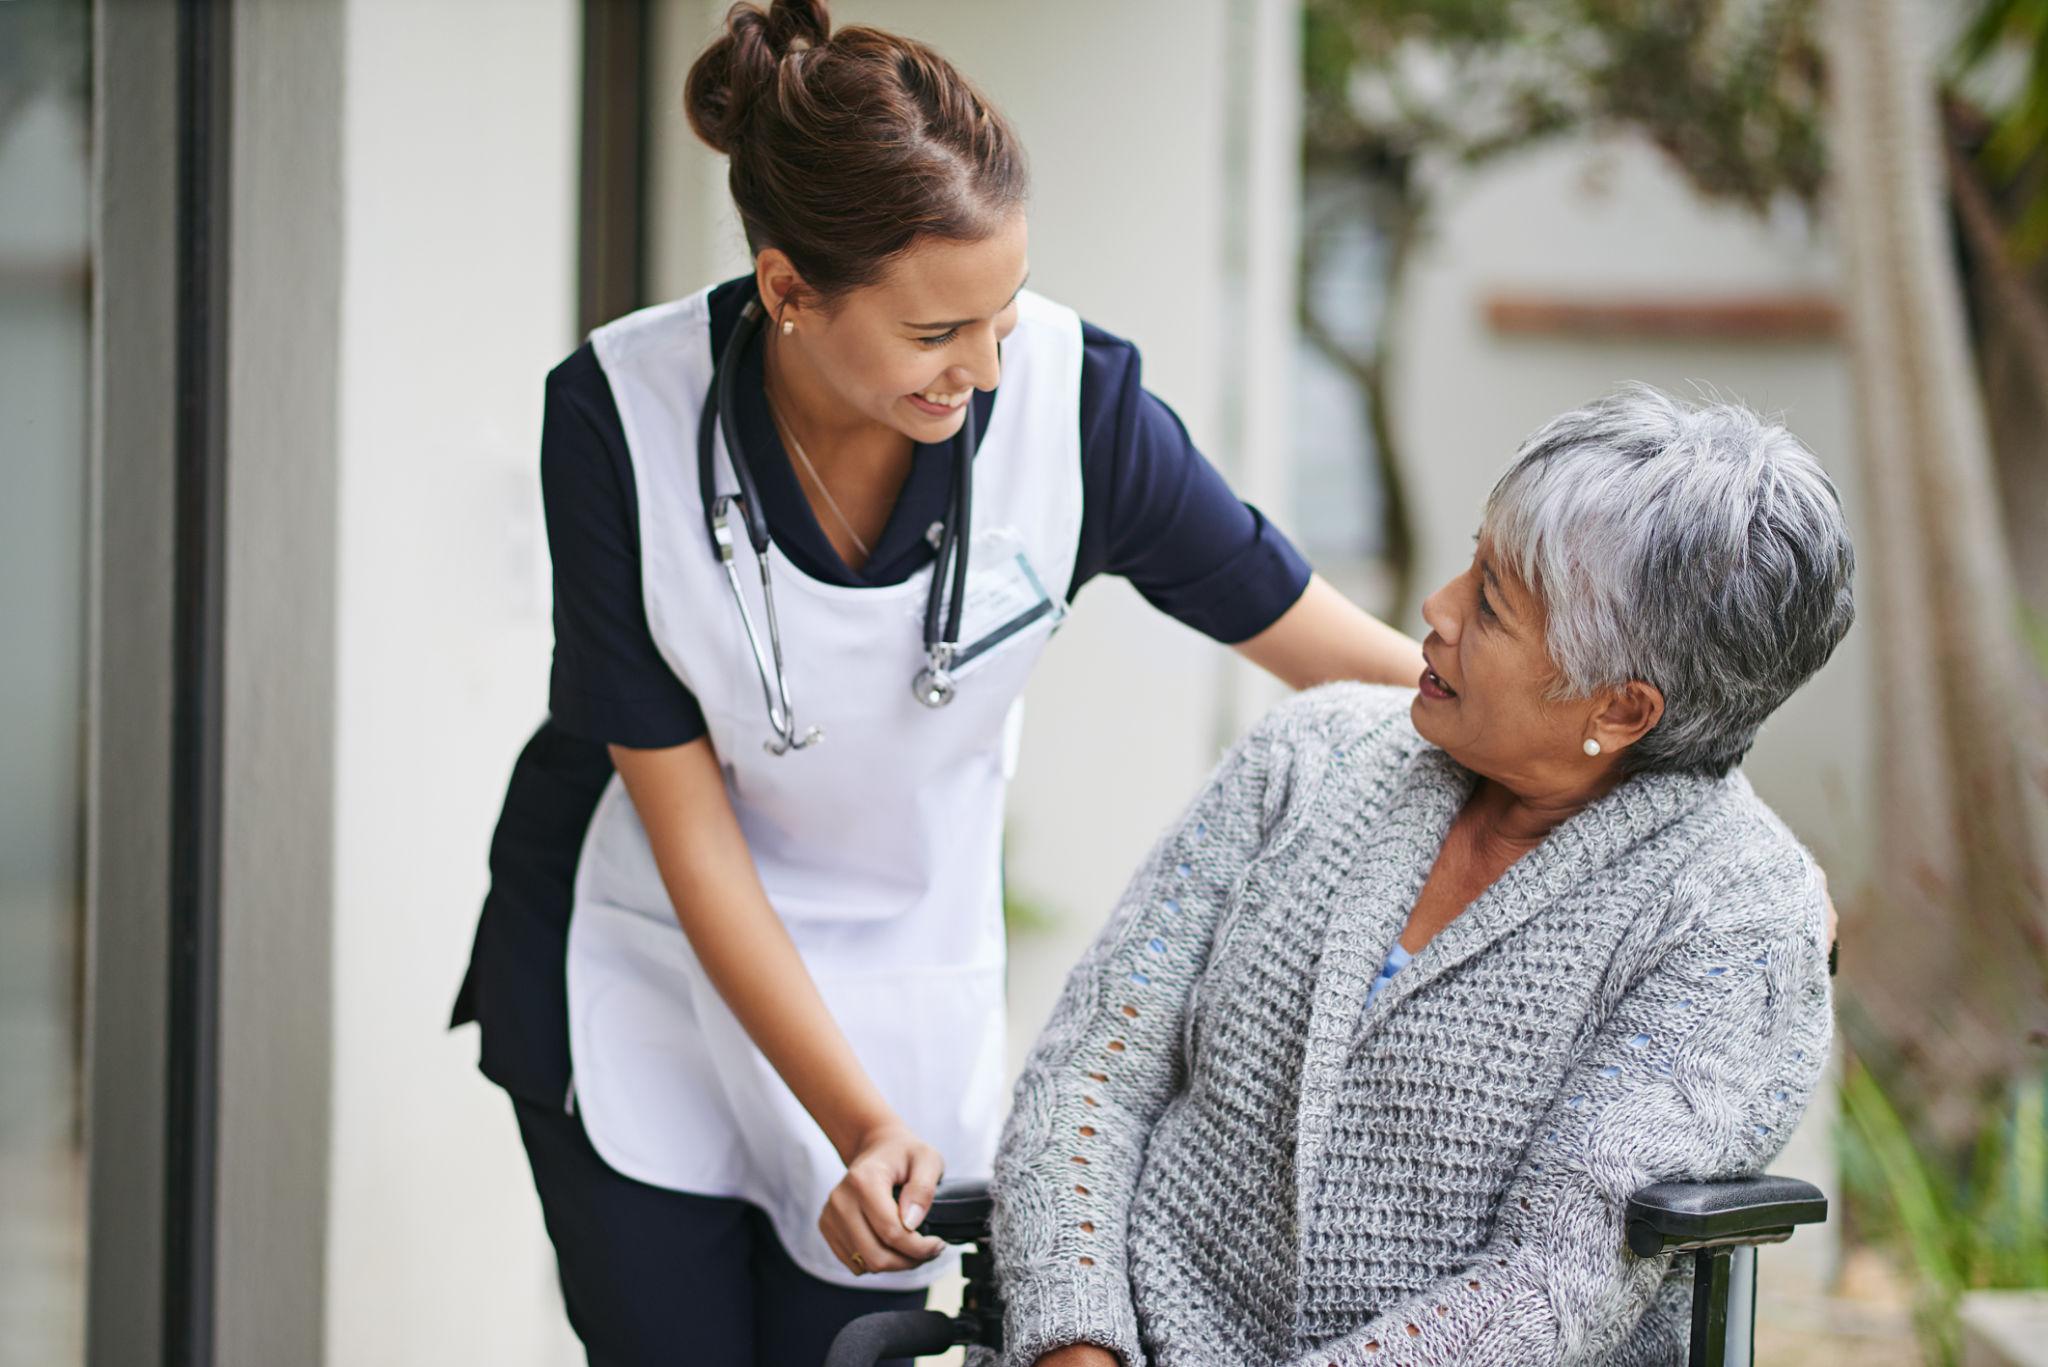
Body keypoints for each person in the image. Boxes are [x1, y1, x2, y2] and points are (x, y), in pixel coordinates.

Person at [446, 2, 1423, 1362]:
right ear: (788, 291)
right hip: (646, 955)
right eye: (935, 333)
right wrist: (855, 1118)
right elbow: (691, 837)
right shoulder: (618, 416)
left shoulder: (1077, 407)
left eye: (1003, 318)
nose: (982, 367)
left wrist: (1623, 757)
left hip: (900, 963)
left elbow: (1328, 648)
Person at [987, 387, 1852, 1367]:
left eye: (1488, 603)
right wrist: (1075, 1339)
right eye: (1471, 559)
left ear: (1618, 709)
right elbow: (1096, 1064)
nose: (1435, 611)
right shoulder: (1308, 752)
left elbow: (1548, 1285)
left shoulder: (1731, 916)